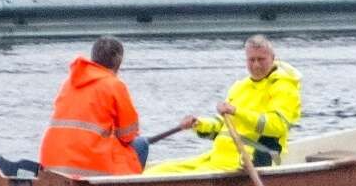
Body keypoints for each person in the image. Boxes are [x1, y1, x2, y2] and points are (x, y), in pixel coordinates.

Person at [144, 35, 301, 174]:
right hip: (218, 157)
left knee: (163, 176)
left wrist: (236, 111)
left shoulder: (284, 87)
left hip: (252, 160)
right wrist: (199, 124)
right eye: (251, 60)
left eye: (261, 59)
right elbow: (224, 124)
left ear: (273, 58)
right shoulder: (240, 87)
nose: (256, 65)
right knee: (155, 171)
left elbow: (277, 126)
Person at [36, 35, 148, 176]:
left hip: (52, 165)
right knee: (141, 144)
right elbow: (128, 135)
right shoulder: (114, 85)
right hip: (90, 168)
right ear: (118, 60)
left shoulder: (69, 83)